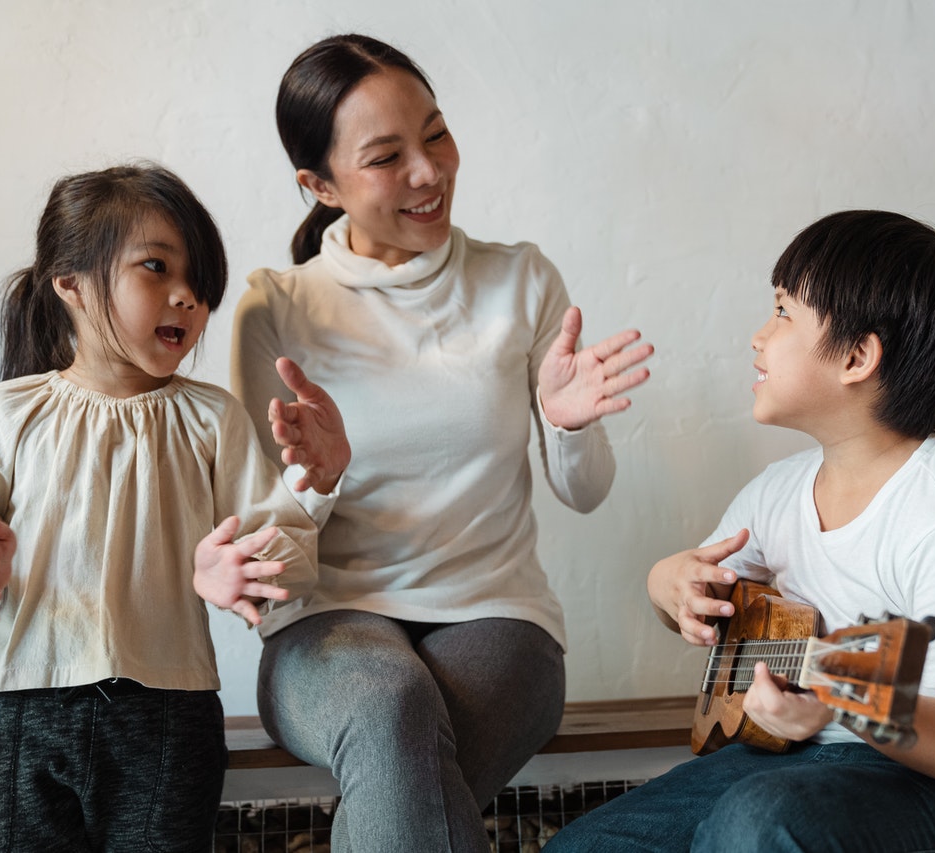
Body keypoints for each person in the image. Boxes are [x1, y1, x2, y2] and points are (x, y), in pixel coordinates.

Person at [230, 34, 654, 852]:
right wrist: (313, 485)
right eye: (387, 156)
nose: (429, 172)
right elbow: (263, 540)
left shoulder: (521, 280)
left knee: (403, 751)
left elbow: (587, 489)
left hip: (500, 615)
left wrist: (568, 424)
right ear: (318, 185)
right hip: (327, 620)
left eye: (436, 133)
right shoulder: (276, 310)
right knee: (389, 705)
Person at [546, 210, 935, 853]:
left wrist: (839, 697)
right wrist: (671, 585)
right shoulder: (777, 493)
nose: (758, 337)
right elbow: (705, 598)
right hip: (795, 762)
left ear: (856, 356)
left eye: (783, 313)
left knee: (760, 825)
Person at [0, 163, 318, 852]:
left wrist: (241, 564)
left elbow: (293, 547)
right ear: (69, 283)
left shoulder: (212, 417)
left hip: (167, 716)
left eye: (199, 280)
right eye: (156, 267)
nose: (187, 296)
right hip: (13, 709)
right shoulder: (7, 412)